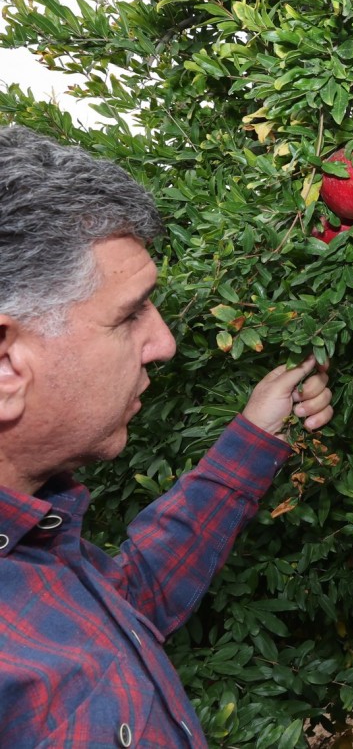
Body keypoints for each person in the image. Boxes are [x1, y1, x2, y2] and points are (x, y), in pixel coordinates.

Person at [0, 124, 335, 746]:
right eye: (128, 316)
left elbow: (122, 601)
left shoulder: (32, 555)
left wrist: (255, 435)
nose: (164, 344)